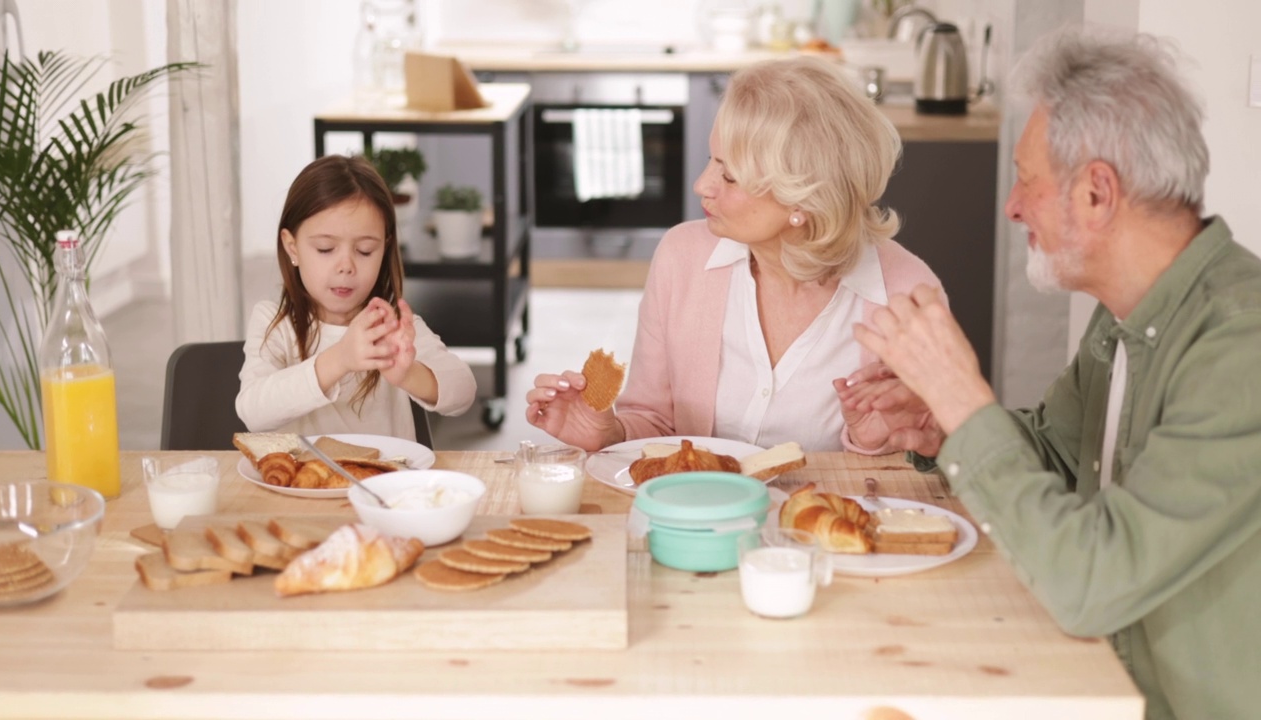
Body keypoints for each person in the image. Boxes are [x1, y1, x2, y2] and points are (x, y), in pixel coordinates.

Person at [838, 28, 1261, 720]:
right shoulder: (1128, 314)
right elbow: (1060, 454)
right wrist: (943, 427)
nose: (1010, 206)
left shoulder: (1243, 345)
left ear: (1098, 193)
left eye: (1025, 180)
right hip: (1098, 679)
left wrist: (963, 398)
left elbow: (1092, 583)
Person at [525, 56, 945, 453]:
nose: (702, 185)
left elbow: (919, 468)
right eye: (712, 160)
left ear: (802, 198)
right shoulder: (682, 258)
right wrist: (611, 433)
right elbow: (653, 423)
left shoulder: (908, 294)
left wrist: (873, 443)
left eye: (729, 175)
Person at [237, 155, 477, 439]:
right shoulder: (274, 323)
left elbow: (464, 391)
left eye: (364, 250)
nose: (346, 266)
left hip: (385, 482)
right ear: (292, 248)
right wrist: (340, 358)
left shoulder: (392, 327)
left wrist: (408, 374)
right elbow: (253, 412)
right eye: (326, 249)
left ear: (384, 249)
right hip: (305, 483)